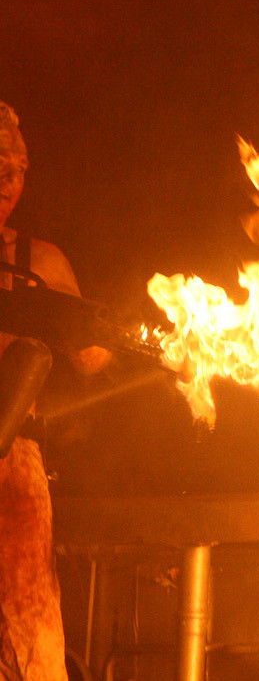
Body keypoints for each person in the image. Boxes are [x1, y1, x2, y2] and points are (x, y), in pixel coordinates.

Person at [0, 102, 108, 681]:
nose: (7, 180)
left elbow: (93, 356)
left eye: (18, 169)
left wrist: (105, 339)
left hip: (13, 462)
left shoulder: (37, 261)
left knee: (31, 639)